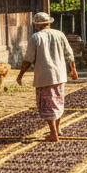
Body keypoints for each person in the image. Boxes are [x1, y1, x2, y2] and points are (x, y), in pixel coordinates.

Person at [16, 11, 79, 141]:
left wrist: (20, 74)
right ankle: (57, 129)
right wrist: (73, 69)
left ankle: (53, 133)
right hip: (60, 75)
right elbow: (69, 53)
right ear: (49, 23)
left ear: (37, 25)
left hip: (44, 76)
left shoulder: (35, 37)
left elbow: (28, 59)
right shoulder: (59, 34)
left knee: (47, 105)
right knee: (58, 102)